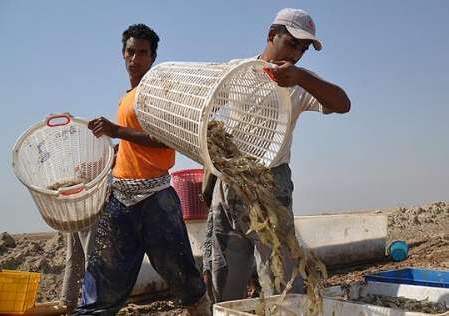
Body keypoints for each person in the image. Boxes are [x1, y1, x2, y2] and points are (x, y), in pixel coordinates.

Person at [202, 8, 351, 303]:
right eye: (292, 43)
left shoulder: (299, 83)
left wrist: (301, 78)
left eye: (303, 48)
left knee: (280, 276)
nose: (297, 53)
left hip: (272, 185)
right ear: (272, 35)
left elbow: (343, 103)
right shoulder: (238, 71)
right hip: (231, 181)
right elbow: (206, 112)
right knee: (224, 273)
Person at [73, 24, 209, 316]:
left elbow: (165, 139)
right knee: (102, 281)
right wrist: (106, 160)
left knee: (182, 276)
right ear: (122, 55)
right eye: (130, 52)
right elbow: (133, 147)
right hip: (121, 198)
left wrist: (117, 130)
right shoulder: (127, 97)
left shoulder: (157, 94)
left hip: (155, 199)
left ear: (153, 57)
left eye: (142, 53)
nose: (135, 59)